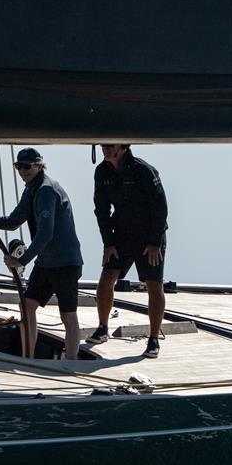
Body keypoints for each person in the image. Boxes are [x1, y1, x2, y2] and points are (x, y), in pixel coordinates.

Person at [0, 148, 83, 360]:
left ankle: (72, 363)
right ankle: (28, 358)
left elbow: (46, 234)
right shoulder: (31, 189)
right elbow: (13, 222)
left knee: (68, 314)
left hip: (65, 263)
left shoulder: (46, 190)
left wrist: (21, 260)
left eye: (27, 166)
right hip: (46, 262)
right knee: (27, 305)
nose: (22, 171)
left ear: (39, 165)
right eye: (18, 166)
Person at [88, 144, 168, 358]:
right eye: (103, 146)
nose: (105, 150)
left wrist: (154, 242)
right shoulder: (102, 171)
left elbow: (160, 207)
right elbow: (101, 209)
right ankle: (103, 328)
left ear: (123, 147)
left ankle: (153, 339)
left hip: (149, 236)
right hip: (122, 235)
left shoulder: (144, 170)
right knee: (106, 279)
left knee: (153, 284)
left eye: (110, 146)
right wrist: (108, 242)